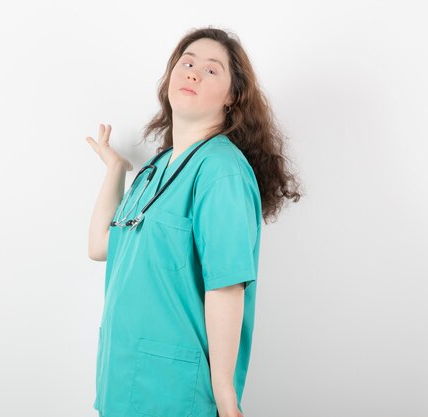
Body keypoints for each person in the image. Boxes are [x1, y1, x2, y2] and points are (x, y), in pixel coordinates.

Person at [85, 27, 301, 417]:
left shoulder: (221, 170)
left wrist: (225, 397)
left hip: (173, 392)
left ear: (233, 96)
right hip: (122, 383)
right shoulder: (153, 170)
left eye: (211, 69)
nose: (193, 73)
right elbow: (100, 246)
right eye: (186, 62)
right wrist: (116, 169)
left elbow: (226, 286)